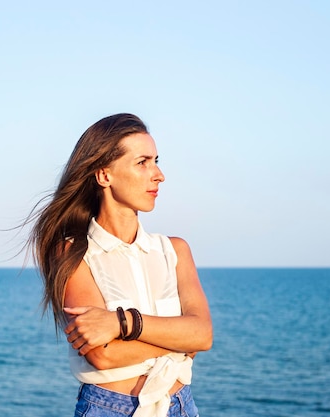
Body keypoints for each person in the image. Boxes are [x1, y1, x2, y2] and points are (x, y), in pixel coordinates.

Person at [23, 113, 212, 417]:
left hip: (181, 406)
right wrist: (178, 341)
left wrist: (120, 324)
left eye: (156, 160)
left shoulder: (175, 250)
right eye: (143, 162)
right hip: (110, 410)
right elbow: (103, 355)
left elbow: (202, 334)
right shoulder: (72, 253)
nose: (158, 174)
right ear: (104, 175)